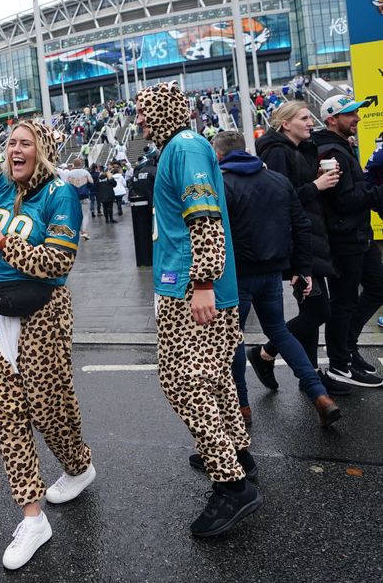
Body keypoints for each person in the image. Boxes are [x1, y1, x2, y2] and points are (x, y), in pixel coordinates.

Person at [0, 65, 95, 571]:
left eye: (24, 143)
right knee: (6, 413)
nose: (14, 150)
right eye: (11, 142)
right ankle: (32, 518)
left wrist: (1, 242)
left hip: (45, 315)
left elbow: (56, 262)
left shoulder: (60, 195)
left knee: (49, 408)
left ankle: (78, 467)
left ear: (44, 151)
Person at [137, 81, 261, 539]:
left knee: (183, 382)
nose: (140, 120)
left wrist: (204, 281)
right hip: (188, 286)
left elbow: (204, 218)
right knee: (214, 378)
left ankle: (231, 485)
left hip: (193, 289)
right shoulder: (181, 146)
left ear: (164, 111)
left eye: (145, 111)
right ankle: (237, 454)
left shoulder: (184, 147)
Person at [212, 131, 340, 427]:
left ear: (218, 155)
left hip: (237, 276)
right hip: (272, 272)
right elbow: (301, 225)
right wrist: (302, 269)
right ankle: (320, 395)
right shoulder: (278, 180)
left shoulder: (221, 183)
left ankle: (242, 406)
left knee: (233, 338)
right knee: (280, 331)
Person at [253, 101, 351, 396]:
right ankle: (264, 354)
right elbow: (279, 198)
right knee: (319, 311)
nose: (311, 122)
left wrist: (319, 175)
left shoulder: (300, 149)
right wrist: (316, 185)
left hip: (311, 240)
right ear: (286, 124)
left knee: (311, 310)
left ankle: (311, 377)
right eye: (305, 118)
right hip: (297, 244)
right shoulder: (277, 152)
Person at [313, 95, 383, 388]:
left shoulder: (341, 146)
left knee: (377, 287)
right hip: (345, 239)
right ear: (332, 119)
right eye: (350, 114)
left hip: (359, 235)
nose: (357, 118)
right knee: (343, 302)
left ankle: (348, 348)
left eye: (357, 112)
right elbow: (343, 201)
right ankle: (340, 364)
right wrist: (378, 192)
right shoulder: (331, 152)